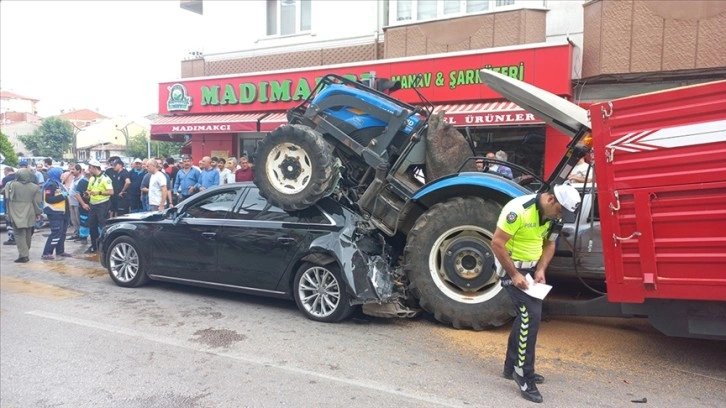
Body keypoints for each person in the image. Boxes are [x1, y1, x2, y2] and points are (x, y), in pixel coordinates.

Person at [491, 183, 581, 403]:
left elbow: (550, 244)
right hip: (509, 267)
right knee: (531, 316)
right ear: (550, 199)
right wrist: (514, 274)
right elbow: (497, 243)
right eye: (560, 210)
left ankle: (511, 365)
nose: (560, 216)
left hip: (530, 269)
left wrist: (541, 269)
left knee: (526, 315)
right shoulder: (518, 210)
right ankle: (523, 375)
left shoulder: (554, 217)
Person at [3, 169, 43, 263]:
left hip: (15, 210)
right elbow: (37, 202)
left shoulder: (12, 184)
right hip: (29, 210)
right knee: (28, 232)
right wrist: (38, 213)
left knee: (18, 233)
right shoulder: (34, 187)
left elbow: (5, 193)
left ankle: (23, 255)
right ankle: (26, 250)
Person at [41, 167, 72, 260]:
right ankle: (47, 252)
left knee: (62, 233)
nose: (62, 175)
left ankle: (60, 251)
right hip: (55, 213)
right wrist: (63, 196)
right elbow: (49, 199)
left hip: (63, 213)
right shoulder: (50, 185)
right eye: (61, 173)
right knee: (56, 232)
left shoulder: (58, 184)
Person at [85, 159, 114, 254]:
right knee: (92, 226)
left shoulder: (105, 178)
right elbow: (89, 190)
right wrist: (87, 194)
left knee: (103, 225)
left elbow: (111, 191)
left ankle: (107, 245)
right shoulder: (92, 178)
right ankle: (94, 246)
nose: (88, 169)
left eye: (90, 167)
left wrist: (99, 192)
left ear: (94, 167)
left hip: (103, 204)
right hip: (93, 204)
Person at [66, 164, 85, 241]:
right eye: (71, 169)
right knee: (74, 220)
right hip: (72, 202)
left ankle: (81, 235)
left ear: (79, 170)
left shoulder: (81, 180)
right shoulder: (74, 179)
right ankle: (76, 233)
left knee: (78, 220)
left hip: (78, 203)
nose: (71, 171)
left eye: (73, 169)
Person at [2, 166, 18, 245]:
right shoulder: (18, 177)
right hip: (18, 202)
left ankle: (11, 238)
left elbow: (2, 190)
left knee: (9, 220)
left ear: (7, 171)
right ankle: (19, 237)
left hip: (8, 202)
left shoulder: (5, 179)